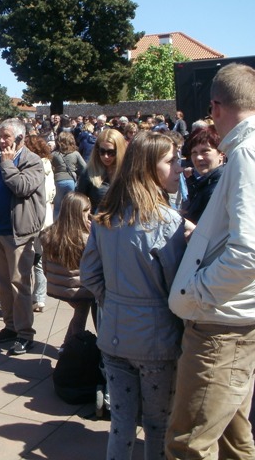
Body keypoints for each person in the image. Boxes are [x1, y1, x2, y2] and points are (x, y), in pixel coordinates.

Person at [80, 132, 190, 460]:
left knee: (122, 422)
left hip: (115, 334)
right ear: (148, 168)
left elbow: (90, 274)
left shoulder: (107, 217)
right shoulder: (168, 223)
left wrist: (112, 300)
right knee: (157, 423)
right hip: (156, 340)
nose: (179, 168)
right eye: (171, 161)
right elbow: (179, 291)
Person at [166, 63, 255, 459]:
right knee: (234, 439)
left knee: (188, 444)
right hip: (231, 321)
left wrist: (199, 293)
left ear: (215, 107)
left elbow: (249, 250)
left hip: (221, 327)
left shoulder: (245, 154)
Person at [0, 118, 45, 356]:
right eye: (1, 135)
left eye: (6, 137)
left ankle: (24, 333)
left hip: (17, 233)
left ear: (20, 138)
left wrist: (8, 165)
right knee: (2, 282)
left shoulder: (33, 161)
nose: (1, 141)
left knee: (19, 284)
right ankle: (10, 326)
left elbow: (21, 187)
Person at [42, 192, 94, 350]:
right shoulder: (85, 238)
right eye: (86, 211)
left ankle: (66, 345)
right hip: (79, 288)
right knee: (81, 315)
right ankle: (72, 349)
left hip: (57, 286)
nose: (89, 215)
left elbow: (44, 266)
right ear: (76, 213)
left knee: (79, 312)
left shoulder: (51, 234)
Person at [25, 130, 54, 313]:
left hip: (32, 217)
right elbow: (52, 193)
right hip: (47, 219)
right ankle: (40, 298)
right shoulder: (49, 166)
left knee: (29, 259)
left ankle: (26, 296)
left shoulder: (32, 166)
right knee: (40, 259)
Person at [180, 125, 224, 224]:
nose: (198, 158)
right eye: (194, 152)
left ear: (221, 154)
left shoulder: (217, 188)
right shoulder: (205, 182)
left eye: (205, 151)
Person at [76, 128, 126, 214]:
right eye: (102, 151)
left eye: (111, 152)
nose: (106, 156)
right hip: (98, 223)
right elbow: (79, 201)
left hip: (123, 224)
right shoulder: (89, 172)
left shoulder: (128, 172)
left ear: (119, 151)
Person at [50, 131, 86, 220]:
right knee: (71, 206)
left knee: (58, 206)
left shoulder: (54, 154)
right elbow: (85, 167)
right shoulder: (75, 154)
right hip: (71, 181)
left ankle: (56, 226)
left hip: (58, 181)